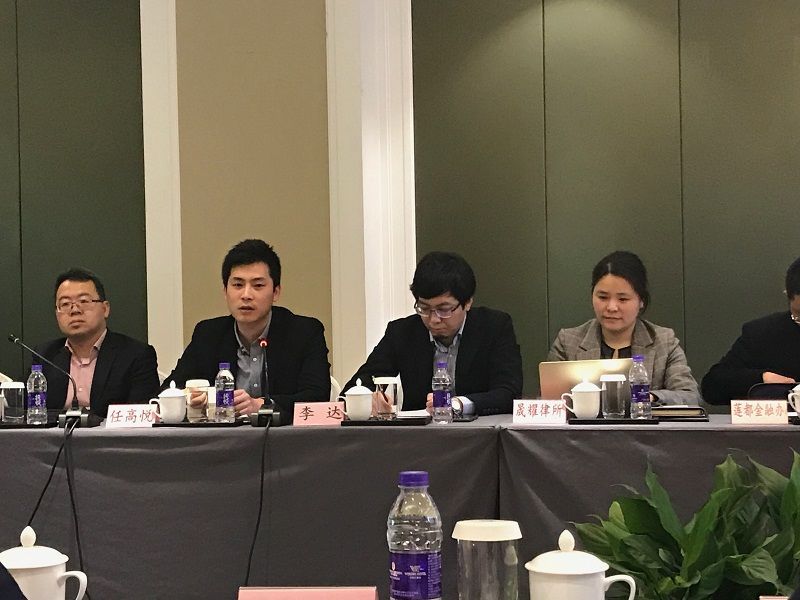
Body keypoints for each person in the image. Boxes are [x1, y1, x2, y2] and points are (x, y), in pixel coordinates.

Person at [163, 239, 330, 423]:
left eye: (258, 285)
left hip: (285, 438)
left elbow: (317, 398)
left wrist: (262, 406)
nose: (246, 295)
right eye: (238, 285)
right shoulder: (208, 334)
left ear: (275, 292)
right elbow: (169, 389)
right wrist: (191, 399)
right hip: (222, 439)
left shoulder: (304, 333)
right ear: (225, 291)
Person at [343, 251, 522, 415]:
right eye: (424, 308)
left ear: (467, 302)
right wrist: (366, 399)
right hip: (420, 434)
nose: (434, 319)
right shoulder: (402, 332)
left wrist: (457, 404)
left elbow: (508, 392)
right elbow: (359, 383)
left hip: (478, 432)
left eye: (444, 309)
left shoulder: (494, 327)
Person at [548, 250, 700, 405]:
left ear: (641, 301)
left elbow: (689, 396)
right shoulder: (568, 342)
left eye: (623, 299)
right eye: (603, 297)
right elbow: (549, 402)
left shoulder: (664, 342)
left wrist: (649, 397)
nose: (611, 307)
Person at [34, 268, 160, 418]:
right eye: (65, 304)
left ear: (105, 309)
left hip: (113, 433)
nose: (75, 310)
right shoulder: (44, 356)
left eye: (83, 301)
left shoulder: (136, 355)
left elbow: (142, 416)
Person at [702, 256, 800, 404]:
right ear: (787, 294)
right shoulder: (763, 332)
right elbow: (712, 386)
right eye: (798, 315)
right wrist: (761, 378)